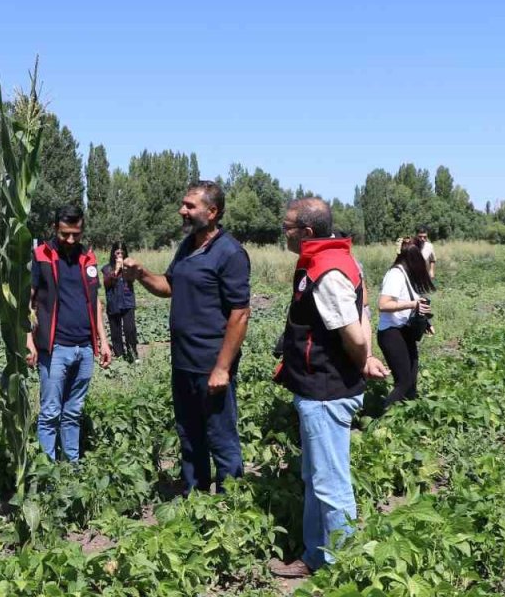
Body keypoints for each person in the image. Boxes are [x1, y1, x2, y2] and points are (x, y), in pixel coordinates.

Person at [268, 197, 389, 578]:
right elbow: (364, 304)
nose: (282, 234)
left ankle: (341, 569)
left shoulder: (326, 269)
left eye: (286, 228)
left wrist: (362, 355)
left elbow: (352, 331)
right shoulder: (339, 257)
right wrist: (367, 356)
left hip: (326, 391)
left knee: (330, 482)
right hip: (319, 387)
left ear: (306, 233)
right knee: (316, 476)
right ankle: (316, 555)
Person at [121, 181, 249, 494]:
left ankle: (232, 508)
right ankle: (197, 499)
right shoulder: (188, 246)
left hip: (211, 364)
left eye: (190, 206)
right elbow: (169, 286)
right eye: (183, 204)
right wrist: (141, 275)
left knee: (221, 439)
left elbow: (240, 314)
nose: (182, 211)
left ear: (213, 211)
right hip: (184, 362)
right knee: (190, 436)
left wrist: (222, 367)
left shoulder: (230, 253)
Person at [26, 205, 113, 462]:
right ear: (55, 229)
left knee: (73, 411)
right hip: (55, 348)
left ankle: (72, 466)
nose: (71, 240)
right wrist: (28, 340)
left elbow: (95, 302)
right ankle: (47, 469)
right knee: (51, 412)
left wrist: (103, 342)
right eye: (65, 234)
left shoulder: (88, 256)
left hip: (85, 347)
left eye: (76, 233)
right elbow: (27, 301)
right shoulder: (41, 255)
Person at [377, 238, 435, 409]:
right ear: (412, 259)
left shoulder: (405, 274)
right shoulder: (395, 275)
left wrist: (426, 323)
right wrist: (412, 304)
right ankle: (378, 420)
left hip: (404, 331)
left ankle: (408, 418)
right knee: (403, 382)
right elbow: (383, 304)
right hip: (391, 333)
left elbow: (414, 301)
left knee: (412, 380)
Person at [102, 242, 139, 362]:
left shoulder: (129, 267)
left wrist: (126, 269)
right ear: (113, 254)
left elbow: (133, 279)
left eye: (122, 253)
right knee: (115, 332)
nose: (120, 255)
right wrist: (116, 270)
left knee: (130, 329)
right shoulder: (107, 268)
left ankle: (133, 355)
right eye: (117, 252)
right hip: (113, 302)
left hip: (127, 301)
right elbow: (107, 283)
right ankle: (119, 356)